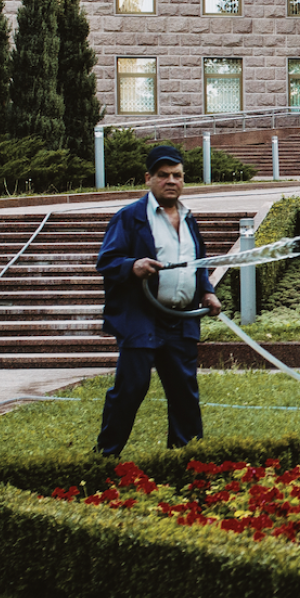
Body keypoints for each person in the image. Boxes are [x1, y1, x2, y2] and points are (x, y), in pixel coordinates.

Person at [95, 144, 223, 456]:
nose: (171, 181)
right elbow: (106, 262)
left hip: (180, 320)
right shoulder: (129, 218)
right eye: (163, 175)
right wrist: (132, 266)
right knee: (131, 389)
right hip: (142, 318)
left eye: (177, 175)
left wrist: (206, 291)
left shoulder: (189, 218)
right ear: (149, 179)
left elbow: (198, 262)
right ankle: (106, 456)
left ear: (183, 179)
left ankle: (186, 460)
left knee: (184, 393)